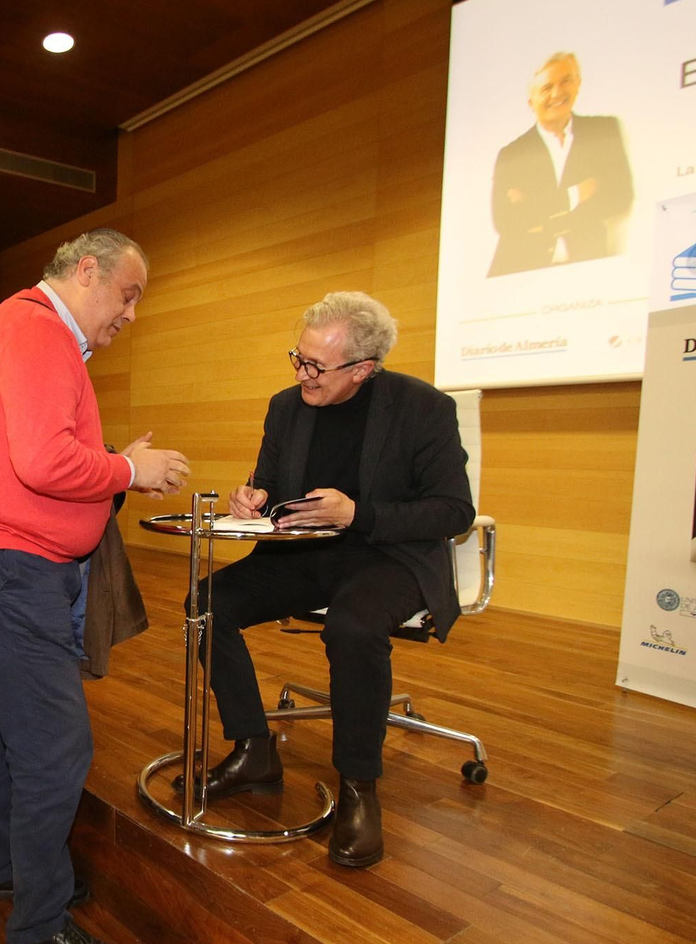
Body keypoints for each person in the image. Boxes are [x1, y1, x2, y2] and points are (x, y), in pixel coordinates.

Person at [0, 228, 189, 944]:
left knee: (9, 726)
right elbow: (43, 462)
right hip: (10, 568)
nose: (132, 315)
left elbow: (34, 457)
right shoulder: (39, 330)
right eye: (129, 294)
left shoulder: (23, 326)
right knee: (56, 744)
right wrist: (126, 468)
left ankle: (6, 869)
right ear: (87, 272)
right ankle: (39, 925)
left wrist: (112, 466)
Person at [176, 292, 474, 869]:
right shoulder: (287, 406)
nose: (302, 374)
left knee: (354, 626)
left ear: (363, 369)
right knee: (206, 602)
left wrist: (357, 513)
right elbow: (267, 483)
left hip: (387, 557)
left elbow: (453, 511)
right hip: (303, 554)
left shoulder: (423, 409)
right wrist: (251, 497)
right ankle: (254, 749)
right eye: (298, 359)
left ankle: (360, 787)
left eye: (316, 366)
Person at [488, 51, 633, 277]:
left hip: (586, 272)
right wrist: (576, 194)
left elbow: (620, 197)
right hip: (518, 277)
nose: (557, 93)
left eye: (566, 81)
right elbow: (506, 221)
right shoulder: (512, 154)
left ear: (578, 84)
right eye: (546, 88)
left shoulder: (603, 131)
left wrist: (534, 210)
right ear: (531, 101)